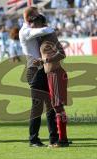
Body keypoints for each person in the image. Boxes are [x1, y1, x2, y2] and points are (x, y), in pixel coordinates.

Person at [19, 7, 58, 147]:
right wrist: (51, 28)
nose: (38, 17)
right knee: (37, 107)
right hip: (34, 71)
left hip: (41, 69)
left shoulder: (30, 29)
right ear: (30, 18)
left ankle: (54, 138)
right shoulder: (25, 31)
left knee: (50, 105)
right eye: (36, 15)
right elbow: (43, 31)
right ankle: (33, 139)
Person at [31, 14, 69, 147]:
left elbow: (62, 53)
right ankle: (62, 138)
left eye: (34, 23)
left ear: (41, 23)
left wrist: (45, 60)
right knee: (57, 106)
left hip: (56, 73)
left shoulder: (50, 36)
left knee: (58, 107)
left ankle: (63, 140)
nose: (32, 26)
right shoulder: (41, 38)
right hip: (51, 74)